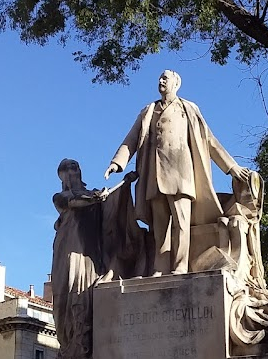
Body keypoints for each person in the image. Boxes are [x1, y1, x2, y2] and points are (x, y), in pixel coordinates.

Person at [104, 70, 252, 275]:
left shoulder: (188, 108)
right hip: (154, 176)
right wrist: (117, 163)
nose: (161, 81)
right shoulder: (148, 110)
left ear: (176, 84)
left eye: (165, 78)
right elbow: (131, 140)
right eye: (159, 78)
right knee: (160, 226)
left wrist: (231, 167)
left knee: (182, 223)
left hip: (182, 174)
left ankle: (181, 265)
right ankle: (160, 267)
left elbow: (209, 141)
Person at [50, 158, 104, 359]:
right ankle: (67, 348)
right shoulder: (61, 197)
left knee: (85, 296)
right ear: (61, 176)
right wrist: (95, 199)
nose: (73, 171)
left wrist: (124, 186)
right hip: (68, 251)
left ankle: (82, 347)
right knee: (64, 298)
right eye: (68, 168)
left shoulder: (96, 194)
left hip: (90, 253)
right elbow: (75, 203)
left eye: (76, 167)